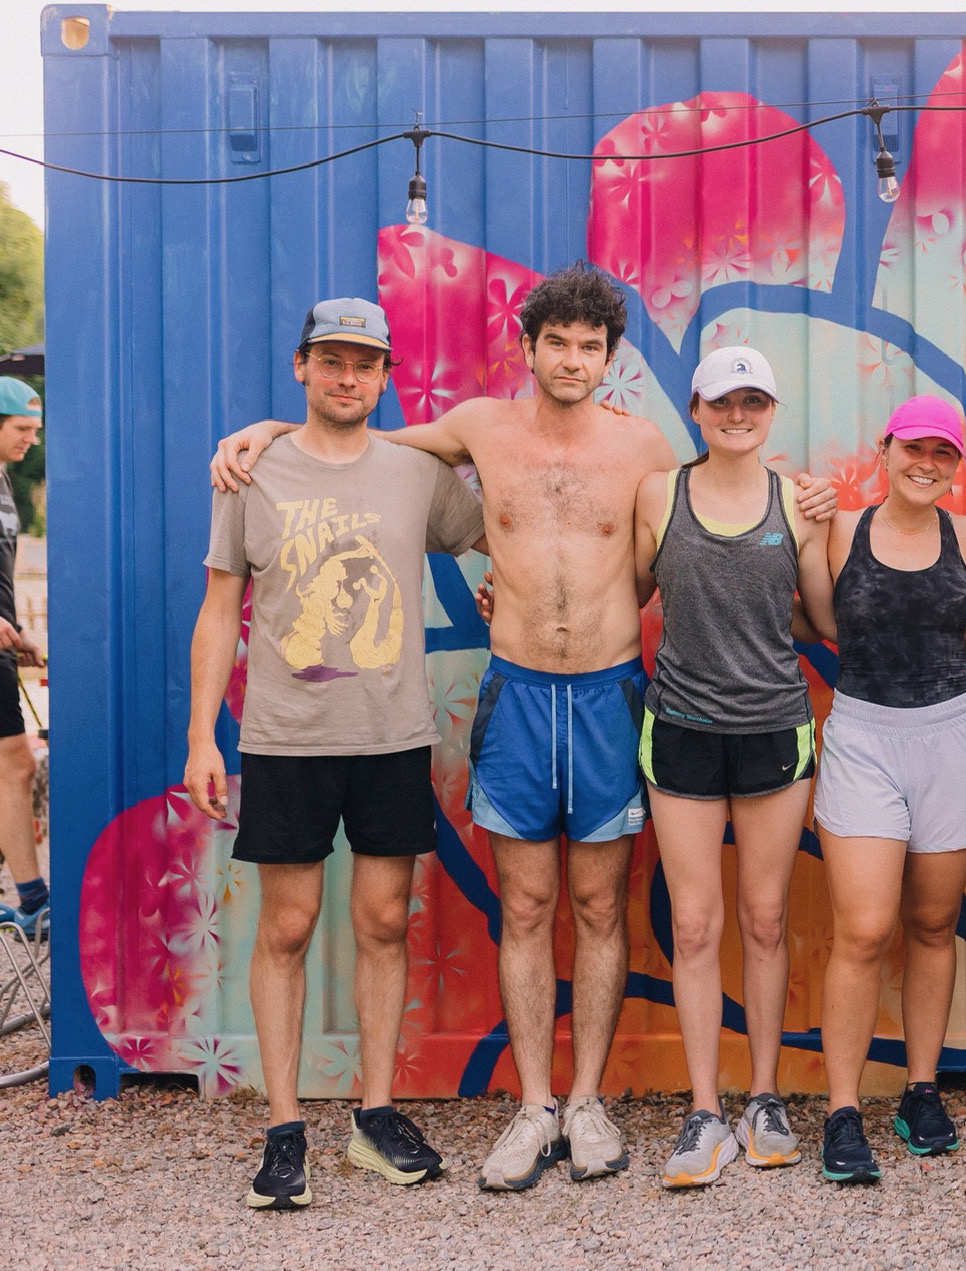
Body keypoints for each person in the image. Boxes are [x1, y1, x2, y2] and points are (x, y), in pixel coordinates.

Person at [210, 266, 721, 1191]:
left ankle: (589, 1104)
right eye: (556, 342)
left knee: (601, 907)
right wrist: (272, 431)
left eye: (590, 346)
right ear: (526, 348)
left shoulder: (645, 443)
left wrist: (805, 502)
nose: (572, 360)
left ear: (610, 358)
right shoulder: (481, 428)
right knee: (525, 908)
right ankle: (533, 1107)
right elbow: (363, 437)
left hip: (609, 692)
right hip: (517, 693)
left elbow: (694, 528)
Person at [185, 299, 485, 1209]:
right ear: (301, 366)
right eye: (332, 360)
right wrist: (203, 735)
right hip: (286, 738)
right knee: (286, 925)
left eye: (366, 362)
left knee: (385, 922)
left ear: (386, 374)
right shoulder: (251, 471)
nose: (348, 376)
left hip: (393, 734)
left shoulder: (414, 472)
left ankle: (374, 1115)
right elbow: (216, 609)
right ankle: (284, 1130)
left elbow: (498, 528)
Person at [634, 346, 835, 1189]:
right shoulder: (658, 493)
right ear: (698, 407)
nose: (738, 414)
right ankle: (704, 1111)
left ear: (772, 409)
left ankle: (764, 1097)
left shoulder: (799, 501)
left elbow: (824, 619)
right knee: (692, 926)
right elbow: (625, 595)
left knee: (762, 919)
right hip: (679, 729)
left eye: (754, 400)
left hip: (772, 734)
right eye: (724, 401)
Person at [813, 394, 966, 1184]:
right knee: (863, 930)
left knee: (933, 923)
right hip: (863, 734)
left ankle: (922, 1090)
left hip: (950, 737)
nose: (927, 464)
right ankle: (841, 1108)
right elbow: (807, 614)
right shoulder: (840, 529)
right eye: (914, 449)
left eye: (944, 454)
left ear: (957, 465)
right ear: (886, 446)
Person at [0, 378, 44, 938]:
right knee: (17, 763)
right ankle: (33, 897)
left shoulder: (5, 481)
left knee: (14, 764)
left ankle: (31, 896)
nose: (31, 440)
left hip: (4, 646)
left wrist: (18, 630)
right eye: (20, 430)